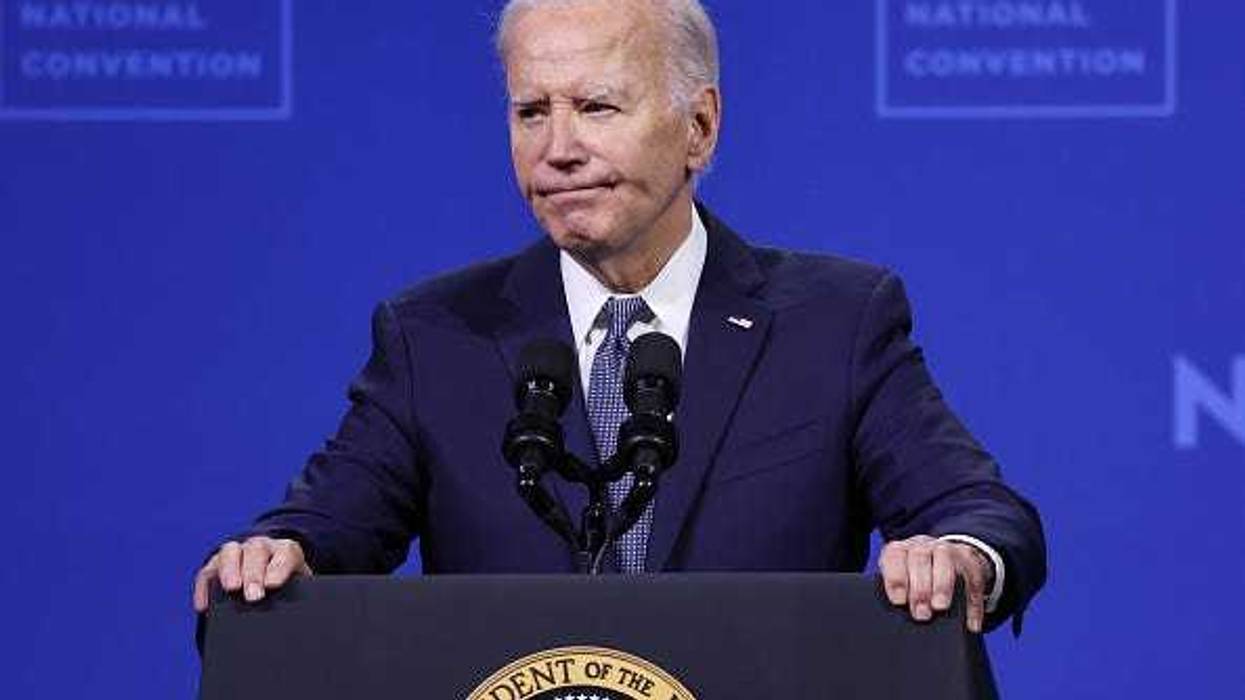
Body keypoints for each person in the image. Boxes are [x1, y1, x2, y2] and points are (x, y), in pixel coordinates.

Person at [193, 0, 1045, 635]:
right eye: (532, 112)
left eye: (596, 107)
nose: (557, 147)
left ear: (699, 128)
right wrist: (278, 555)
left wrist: (960, 556)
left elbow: (980, 512)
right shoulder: (435, 335)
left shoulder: (834, 321)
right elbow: (327, 524)